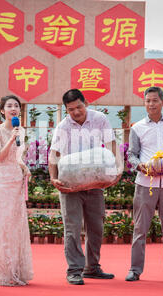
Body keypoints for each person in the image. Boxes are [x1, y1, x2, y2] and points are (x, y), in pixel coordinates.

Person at [48, 89, 122, 285]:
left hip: (96, 182)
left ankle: (92, 267)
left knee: (96, 227)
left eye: (79, 107)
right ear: (66, 110)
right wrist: (53, 178)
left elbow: (112, 144)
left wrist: (119, 168)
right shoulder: (63, 127)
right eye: (71, 109)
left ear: (86, 103)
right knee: (72, 228)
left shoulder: (100, 119)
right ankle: (74, 270)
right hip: (70, 185)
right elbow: (53, 154)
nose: (76, 112)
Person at [125, 86, 163, 283]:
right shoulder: (137, 128)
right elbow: (131, 155)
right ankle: (135, 270)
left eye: (154, 100)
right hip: (145, 183)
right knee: (140, 228)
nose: (151, 104)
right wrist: (140, 166)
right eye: (147, 101)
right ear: (144, 103)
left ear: (162, 102)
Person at [0, 95, 33, 286]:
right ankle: (4, 272)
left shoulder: (21, 130)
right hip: (1, 181)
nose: (13, 108)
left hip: (16, 180)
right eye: (9, 106)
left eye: (16, 106)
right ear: (2, 111)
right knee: (2, 226)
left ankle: (17, 270)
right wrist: (11, 138)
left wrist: (24, 167)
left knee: (15, 225)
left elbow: (18, 157)